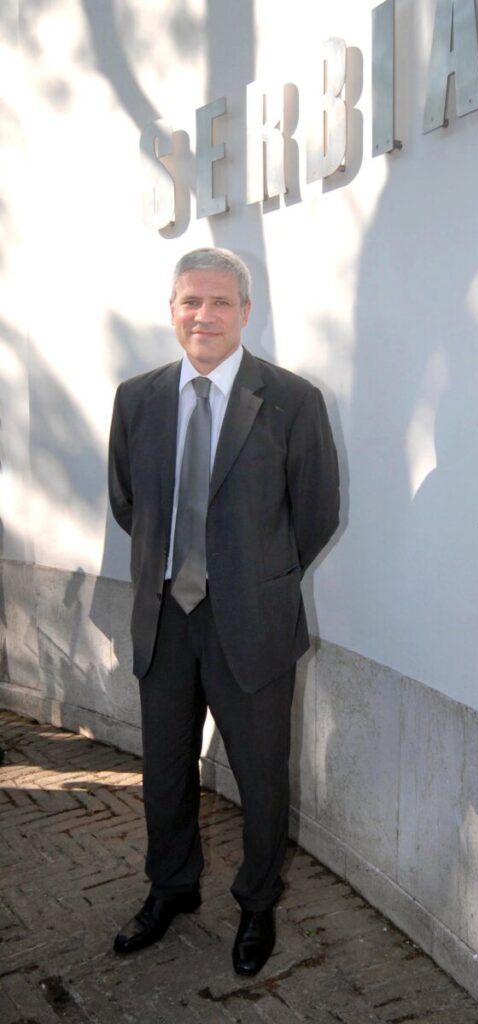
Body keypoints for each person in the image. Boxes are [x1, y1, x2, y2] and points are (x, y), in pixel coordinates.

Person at [108, 247, 339, 976]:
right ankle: (171, 888)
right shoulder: (136, 399)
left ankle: (257, 903)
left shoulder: (292, 400)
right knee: (165, 771)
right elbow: (128, 504)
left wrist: (255, 579)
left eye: (218, 302)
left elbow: (317, 513)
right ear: (172, 310)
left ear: (244, 312)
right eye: (190, 301)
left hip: (252, 624)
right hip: (164, 619)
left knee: (262, 776)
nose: (202, 315)